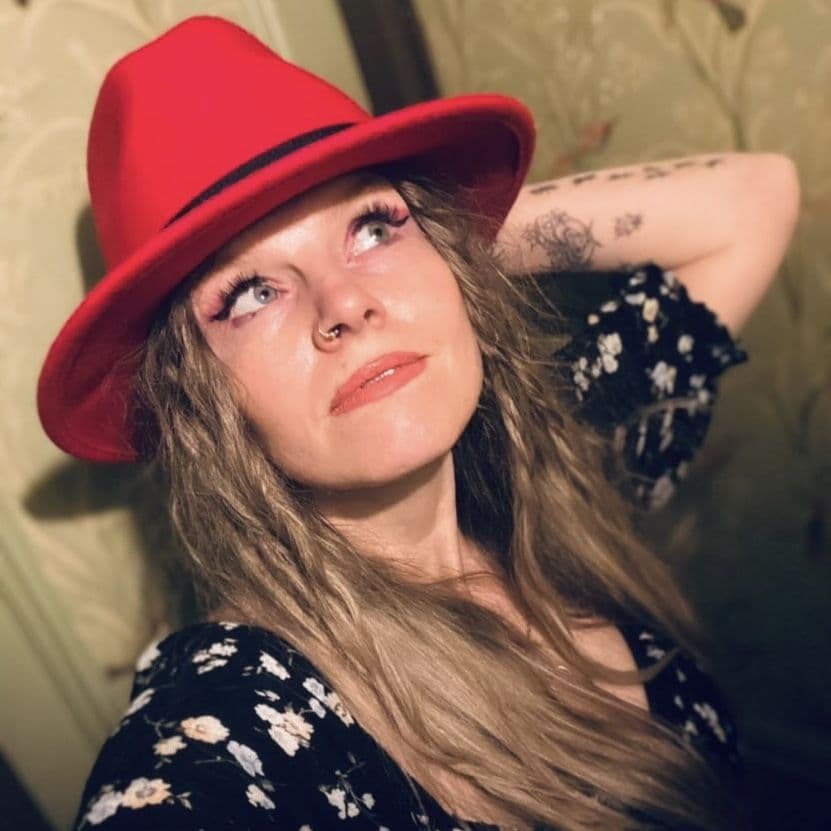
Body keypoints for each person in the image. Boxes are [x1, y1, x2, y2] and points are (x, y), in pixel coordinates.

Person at [36, 15, 800, 831]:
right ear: (195, 402)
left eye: (373, 226)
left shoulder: (566, 461)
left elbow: (753, 198)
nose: (346, 304)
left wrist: (447, 249)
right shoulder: (242, 714)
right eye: (250, 293)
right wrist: (392, 248)